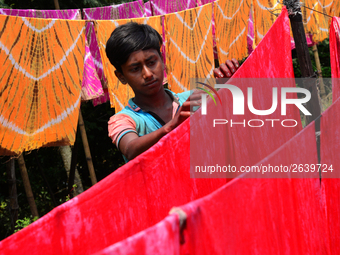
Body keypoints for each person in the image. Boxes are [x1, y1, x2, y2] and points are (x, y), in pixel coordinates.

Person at [106, 22, 239, 162]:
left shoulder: (193, 98)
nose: (148, 74)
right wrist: (172, 126)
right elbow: (130, 149)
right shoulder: (123, 120)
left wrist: (232, 82)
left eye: (151, 62)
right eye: (135, 69)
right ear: (121, 76)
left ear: (162, 60)